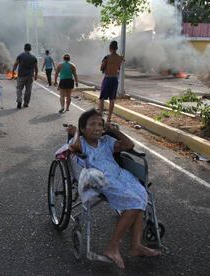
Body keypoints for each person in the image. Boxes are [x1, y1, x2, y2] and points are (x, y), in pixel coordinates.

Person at [67, 108, 161, 269]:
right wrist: (75, 132)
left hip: (120, 174)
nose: (97, 127)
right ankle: (112, 247)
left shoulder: (107, 141)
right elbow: (73, 145)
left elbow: (129, 144)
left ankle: (136, 245)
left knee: (141, 195)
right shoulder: (81, 143)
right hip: (99, 179)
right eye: (92, 124)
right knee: (134, 202)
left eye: (100, 124)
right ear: (83, 128)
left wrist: (113, 131)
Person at [99, 41, 124, 124]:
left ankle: (100, 116)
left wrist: (105, 65)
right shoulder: (120, 58)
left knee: (102, 98)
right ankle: (109, 118)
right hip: (115, 79)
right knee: (112, 100)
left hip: (107, 79)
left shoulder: (107, 57)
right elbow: (118, 68)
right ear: (116, 48)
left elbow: (101, 67)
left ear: (110, 48)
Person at [12, 43, 38, 109]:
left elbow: (15, 64)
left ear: (24, 48)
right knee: (28, 90)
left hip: (21, 76)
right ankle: (26, 103)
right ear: (30, 49)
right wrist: (36, 75)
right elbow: (36, 68)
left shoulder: (20, 56)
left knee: (19, 89)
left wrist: (13, 72)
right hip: (30, 76)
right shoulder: (33, 57)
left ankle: (19, 101)